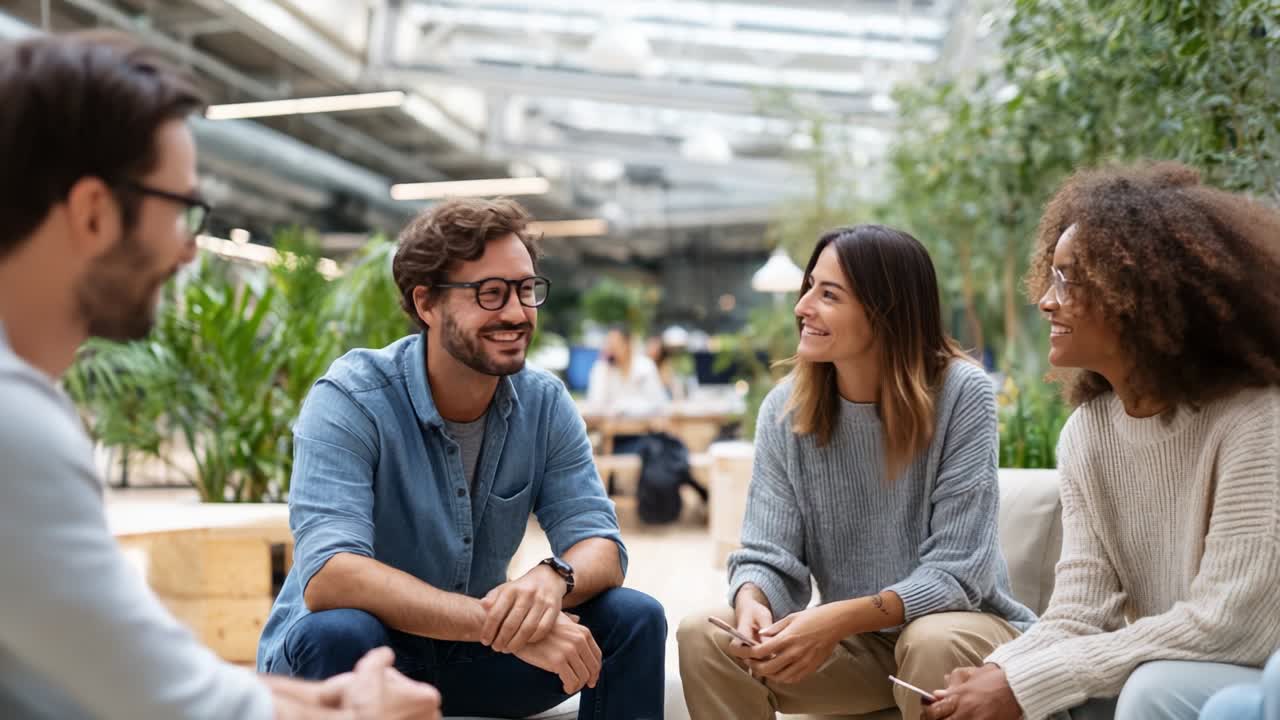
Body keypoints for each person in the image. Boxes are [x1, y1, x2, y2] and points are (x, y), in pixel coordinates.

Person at [0, 31, 440, 720]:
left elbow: (127, 671)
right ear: (92, 211)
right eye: (181, 211)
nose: (186, 249)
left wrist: (316, 694)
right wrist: (359, 714)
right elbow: (180, 708)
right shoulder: (13, 424)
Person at [256, 197, 668, 720]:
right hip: (362, 660)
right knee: (339, 627)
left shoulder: (543, 403)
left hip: (475, 657)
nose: (517, 313)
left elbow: (601, 546)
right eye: (490, 294)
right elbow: (331, 575)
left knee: (633, 618)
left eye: (525, 290)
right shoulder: (352, 397)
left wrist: (553, 576)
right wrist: (494, 624)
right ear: (426, 303)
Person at [923, 163, 1280, 720]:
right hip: (1173, 660)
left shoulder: (1255, 420)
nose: (1045, 299)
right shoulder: (1089, 434)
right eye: (1051, 274)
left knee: (1143, 689)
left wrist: (1033, 681)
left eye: (1070, 278)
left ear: (1142, 292)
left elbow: (1230, 621)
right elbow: (1078, 611)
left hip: (1252, 668)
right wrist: (1002, 671)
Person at [678, 225, 1037, 720]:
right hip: (861, 645)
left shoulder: (961, 393)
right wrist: (753, 601)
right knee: (709, 636)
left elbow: (958, 574)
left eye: (829, 295)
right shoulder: (787, 410)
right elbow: (768, 552)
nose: (803, 307)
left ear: (885, 311)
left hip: (962, 632)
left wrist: (832, 621)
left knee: (929, 640)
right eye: (809, 288)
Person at [585, 327, 670, 418]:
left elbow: (659, 403)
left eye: (616, 345)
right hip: (611, 428)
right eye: (609, 345)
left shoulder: (645, 367)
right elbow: (595, 404)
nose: (612, 349)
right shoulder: (601, 369)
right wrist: (605, 373)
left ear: (628, 344)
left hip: (643, 428)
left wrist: (623, 407)